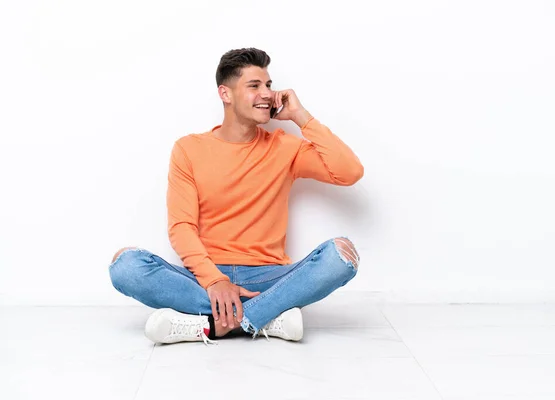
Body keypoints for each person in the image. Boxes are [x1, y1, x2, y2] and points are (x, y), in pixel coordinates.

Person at [108, 47, 364, 345]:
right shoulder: (189, 149)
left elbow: (349, 172)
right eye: (254, 86)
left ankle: (211, 326)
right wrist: (215, 280)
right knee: (125, 266)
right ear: (225, 94)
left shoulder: (285, 148)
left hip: (268, 278)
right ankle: (267, 317)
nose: (267, 94)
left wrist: (302, 117)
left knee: (341, 256)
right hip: (205, 277)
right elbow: (182, 227)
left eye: (268, 85)